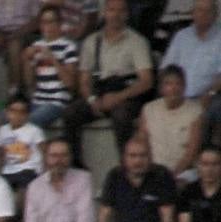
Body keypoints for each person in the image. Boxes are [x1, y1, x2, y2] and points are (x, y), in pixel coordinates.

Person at [61, 0, 153, 168]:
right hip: (100, 92)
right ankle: (74, 163)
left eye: (120, 11)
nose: (116, 15)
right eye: (111, 10)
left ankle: (126, 166)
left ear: (127, 14)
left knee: (122, 116)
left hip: (127, 94)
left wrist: (118, 97)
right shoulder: (92, 41)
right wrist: (91, 99)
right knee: (70, 113)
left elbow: (146, 81)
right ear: (104, 12)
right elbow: (84, 80)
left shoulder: (137, 41)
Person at [159, 0, 221, 148]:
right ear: (192, 13)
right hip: (178, 95)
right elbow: (166, 69)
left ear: (216, 14)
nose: (203, 15)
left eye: (208, 11)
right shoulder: (181, 36)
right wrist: (170, 91)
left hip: (209, 96)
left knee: (205, 114)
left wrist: (210, 93)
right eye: (199, 10)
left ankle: (200, 157)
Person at [135, 65, 203, 183]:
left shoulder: (196, 111)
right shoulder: (149, 109)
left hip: (184, 172)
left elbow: (192, 151)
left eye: (178, 83)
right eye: (168, 83)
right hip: (153, 170)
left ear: (184, 86)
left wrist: (172, 175)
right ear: (161, 88)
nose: (173, 88)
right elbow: (142, 143)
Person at [23, 2, 78, 127]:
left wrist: (52, 58)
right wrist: (27, 59)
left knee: (30, 122)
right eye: (43, 22)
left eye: (51, 22)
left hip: (57, 102)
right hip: (37, 101)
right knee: (6, 118)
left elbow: (70, 83)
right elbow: (29, 82)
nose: (47, 26)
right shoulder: (37, 46)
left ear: (59, 24)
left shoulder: (68, 46)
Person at [0, 0, 41, 95]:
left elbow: (36, 21)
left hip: (22, 33)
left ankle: (14, 91)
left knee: (14, 45)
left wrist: (14, 35)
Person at [0, 95, 45, 193]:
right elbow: (0, 155)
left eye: (22, 112)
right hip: (8, 171)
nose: (17, 115)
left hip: (28, 170)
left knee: (23, 190)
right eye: (13, 111)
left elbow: (44, 152)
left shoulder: (35, 131)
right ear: (7, 112)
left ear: (28, 114)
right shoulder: (2, 131)